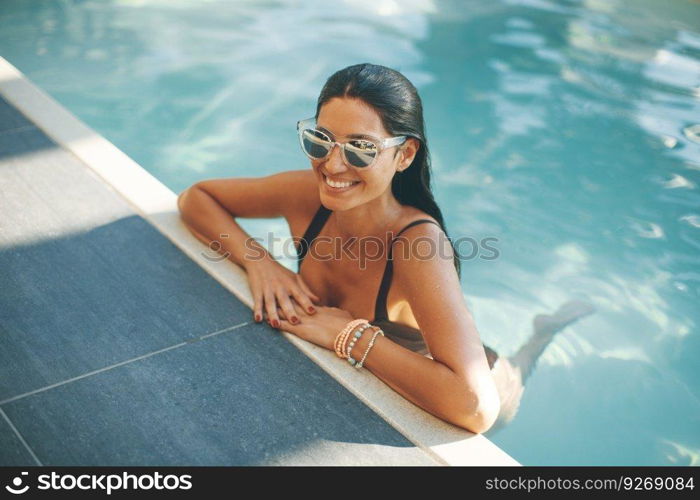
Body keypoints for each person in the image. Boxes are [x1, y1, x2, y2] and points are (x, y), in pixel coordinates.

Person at [177, 63, 595, 435]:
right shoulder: (306, 194)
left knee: (518, 374)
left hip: (481, 379)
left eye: (361, 148)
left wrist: (347, 335)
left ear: (405, 154)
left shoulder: (417, 244)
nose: (333, 165)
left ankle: (543, 333)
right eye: (321, 140)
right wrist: (260, 264)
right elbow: (197, 198)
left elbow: (475, 407)